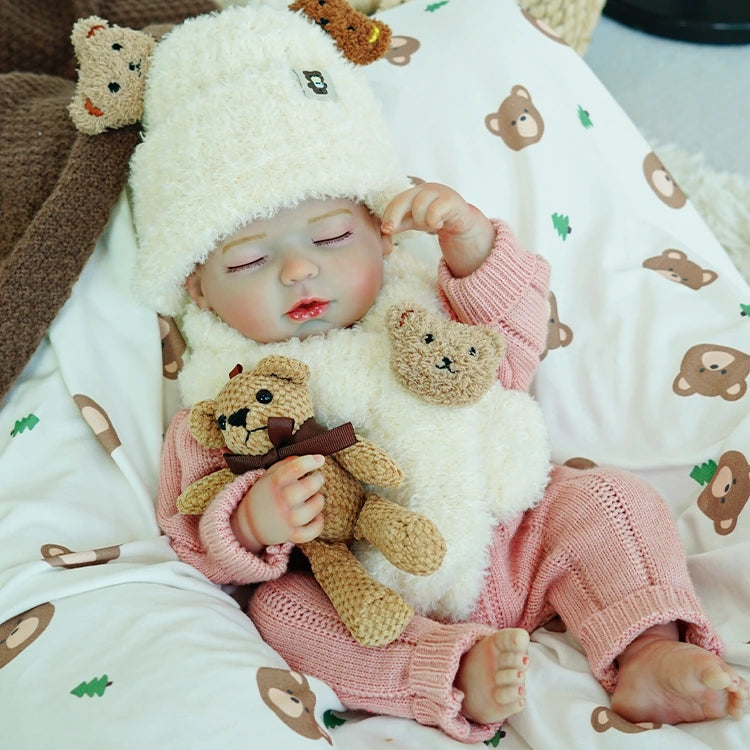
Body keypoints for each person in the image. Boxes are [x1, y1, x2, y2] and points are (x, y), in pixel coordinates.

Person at [129, 4, 748, 743]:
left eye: (331, 236)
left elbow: (512, 350)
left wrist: (474, 245)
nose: (299, 269)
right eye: (248, 261)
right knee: (284, 618)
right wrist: (252, 521)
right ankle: (455, 673)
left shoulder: (419, 291)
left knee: (614, 503)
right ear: (197, 287)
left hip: (513, 536)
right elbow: (190, 527)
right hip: (364, 590)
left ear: (380, 231)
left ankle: (647, 648)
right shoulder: (220, 389)